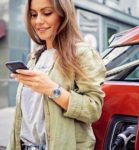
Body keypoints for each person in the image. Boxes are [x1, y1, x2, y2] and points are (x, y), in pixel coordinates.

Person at [7, 0, 106, 150]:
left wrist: (53, 89)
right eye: (33, 14)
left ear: (64, 14)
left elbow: (93, 109)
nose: (38, 21)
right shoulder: (35, 58)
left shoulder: (82, 53)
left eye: (47, 13)